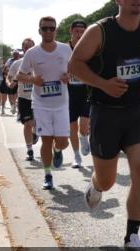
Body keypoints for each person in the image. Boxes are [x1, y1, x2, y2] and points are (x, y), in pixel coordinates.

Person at [70, 0, 140, 251]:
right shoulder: (100, 31)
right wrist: (103, 84)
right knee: (108, 181)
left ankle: (132, 235)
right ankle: (96, 185)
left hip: (136, 113)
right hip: (105, 114)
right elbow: (75, 65)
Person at [17, 17, 73, 191]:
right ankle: (48, 175)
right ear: (39, 31)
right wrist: (33, 79)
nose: (48, 31)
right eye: (45, 29)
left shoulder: (65, 49)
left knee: (63, 141)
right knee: (46, 140)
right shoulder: (32, 53)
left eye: (51, 28)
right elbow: (19, 75)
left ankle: (58, 150)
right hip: (41, 104)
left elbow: (77, 67)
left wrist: (68, 76)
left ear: (55, 30)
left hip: (61, 104)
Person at [67, 20, 92, 168]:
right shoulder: (64, 49)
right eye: (77, 31)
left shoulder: (89, 48)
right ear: (71, 32)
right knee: (72, 126)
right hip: (69, 93)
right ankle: (77, 156)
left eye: (82, 32)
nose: (79, 34)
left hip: (85, 91)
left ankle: (84, 137)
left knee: (83, 124)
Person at [8, 39, 37, 161]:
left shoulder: (39, 62)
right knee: (28, 124)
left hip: (38, 98)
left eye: (31, 47)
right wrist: (10, 83)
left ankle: (35, 133)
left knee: (36, 123)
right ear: (23, 49)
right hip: (24, 97)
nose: (28, 50)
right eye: (26, 48)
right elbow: (9, 77)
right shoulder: (17, 63)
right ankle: (29, 150)